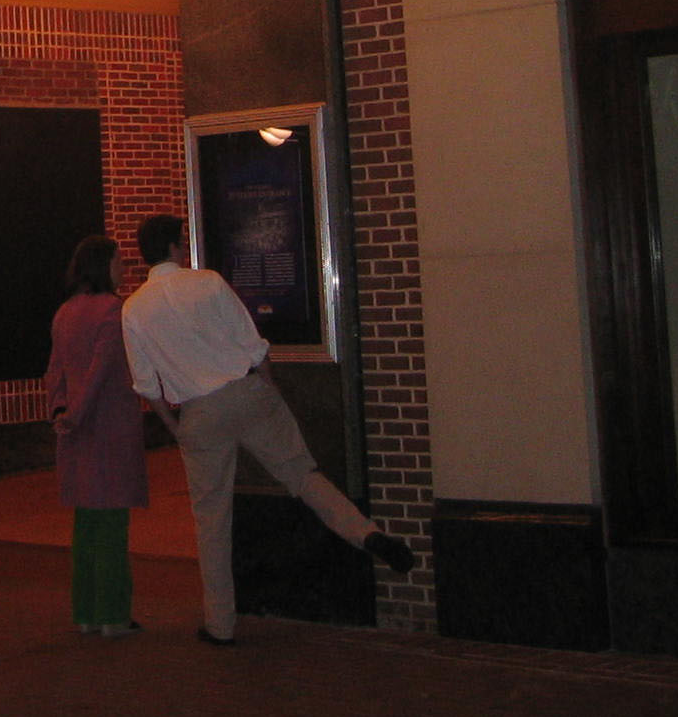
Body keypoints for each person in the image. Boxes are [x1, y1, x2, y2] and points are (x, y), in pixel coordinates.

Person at [122, 214, 415, 646]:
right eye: (181, 241)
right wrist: (269, 390)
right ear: (172, 247)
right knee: (303, 476)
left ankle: (220, 624)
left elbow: (147, 385)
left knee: (212, 521)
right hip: (246, 391)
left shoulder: (134, 309)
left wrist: (175, 426)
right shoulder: (209, 282)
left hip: (198, 412)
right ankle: (366, 533)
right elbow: (254, 346)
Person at [46, 235, 148, 638]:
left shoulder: (65, 312)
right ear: (103, 265)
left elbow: (55, 369)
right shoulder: (113, 311)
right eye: (119, 261)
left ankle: (86, 610)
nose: (123, 268)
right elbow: (101, 370)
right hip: (108, 427)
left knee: (86, 523)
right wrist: (78, 414)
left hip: (75, 433)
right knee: (112, 523)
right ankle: (113, 614)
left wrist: (60, 411)